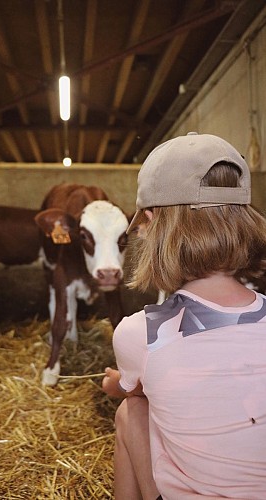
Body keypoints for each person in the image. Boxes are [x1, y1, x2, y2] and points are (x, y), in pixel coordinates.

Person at [102, 132, 266, 500]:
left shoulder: (141, 332)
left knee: (132, 410)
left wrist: (114, 383)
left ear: (151, 220)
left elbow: (129, 388)